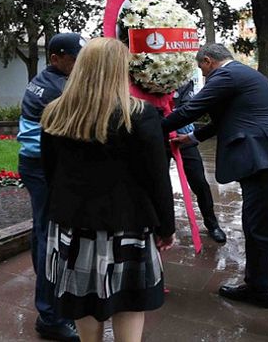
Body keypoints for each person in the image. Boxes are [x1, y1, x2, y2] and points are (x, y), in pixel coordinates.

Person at [40, 37, 175, 342]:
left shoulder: (55, 113)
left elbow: (50, 172)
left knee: (82, 300)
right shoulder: (140, 114)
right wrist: (166, 226)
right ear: (118, 70)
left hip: (72, 224)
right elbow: (157, 178)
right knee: (129, 300)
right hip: (126, 224)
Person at [164, 44, 268, 341]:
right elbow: (222, 121)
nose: (202, 74)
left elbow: (190, 108)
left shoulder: (225, 76)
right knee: (255, 227)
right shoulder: (246, 76)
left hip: (267, 161)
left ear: (208, 61)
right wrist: (192, 137)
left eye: (201, 68)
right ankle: (258, 288)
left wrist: (148, 128)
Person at [17, 32, 85, 342]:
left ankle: (50, 301)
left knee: (41, 231)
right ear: (55, 57)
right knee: (49, 238)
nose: (78, 65)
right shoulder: (57, 89)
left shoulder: (45, 79)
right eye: (74, 60)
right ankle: (50, 316)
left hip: (34, 164)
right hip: (43, 167)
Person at [170, 79, 226, 243]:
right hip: (156, 136)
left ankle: (212, 224)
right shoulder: (142, 72)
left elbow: (187, 107)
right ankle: (158, 225)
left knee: (199, 182)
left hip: (182, 137)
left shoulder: (181, 77)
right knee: (157, 182)